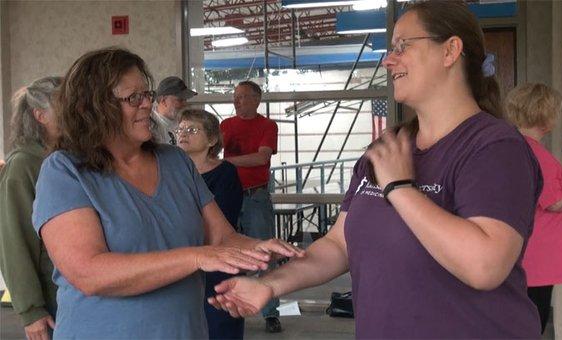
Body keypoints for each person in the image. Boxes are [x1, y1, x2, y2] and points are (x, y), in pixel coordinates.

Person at [209, 1, 543, 337]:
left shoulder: (494, 146)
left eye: (402, 46)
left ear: (450, 50)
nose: (388, 59)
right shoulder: (388, 149)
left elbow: (484, 265)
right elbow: (339, 245)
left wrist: (400, 189)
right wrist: (269, 285)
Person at [31, 47, 304, 339]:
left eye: (147, 94)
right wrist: (196, 257)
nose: (147, 104)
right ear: (93, 107)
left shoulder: (175, 161)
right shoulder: (64, 171)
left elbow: (222, 238)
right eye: (133, 98)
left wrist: (258, 248)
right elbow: (89, 272)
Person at [505, 83, 562, 333]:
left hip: (531, 256)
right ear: (545, 116)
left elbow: (546, 189)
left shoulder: (519, 146)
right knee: (533, 322)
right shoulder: (534, 151)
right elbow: (555, 202)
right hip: (539, 258)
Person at [0, 76, 61, 340]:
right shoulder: (23, 164)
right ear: (40, 116)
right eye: (65, 105)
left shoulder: (66, 156)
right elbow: (14, 241)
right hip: (49, 299)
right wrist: (31, 309)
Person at [176, 108, 245, 339]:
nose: (183, 134)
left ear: (212, 139)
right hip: (181, 263)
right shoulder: (170, 172)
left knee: (218, 323)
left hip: (217, 263)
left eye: (192, 129)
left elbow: (222, 220)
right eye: (181, 129)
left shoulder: (225, 172)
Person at [220, 80, 282, 333]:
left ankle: (271, 312)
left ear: (257, 99)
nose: (237, 101)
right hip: (229, 196)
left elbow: (262, 157)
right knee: (230, 253)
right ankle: (234, 306)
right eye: (235, 97)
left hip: (256, 197)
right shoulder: (225, 126)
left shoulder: (267, 125)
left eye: (243, 97)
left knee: (264, 253)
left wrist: (229, 162)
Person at [151, 76, 197, 144]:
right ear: (163, 101)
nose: (185, 104)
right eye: (180, 100)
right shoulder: (151, 126)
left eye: (185, 100)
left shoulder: (182, 123)